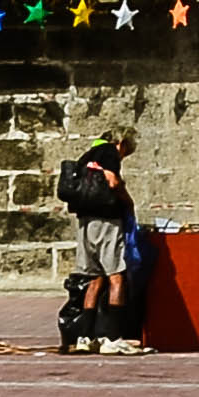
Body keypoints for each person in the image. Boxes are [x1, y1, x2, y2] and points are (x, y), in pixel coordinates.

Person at [57, 130, 142, 353]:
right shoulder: (109, 152)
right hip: (107, 221)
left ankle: (85, 337)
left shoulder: (88, 155)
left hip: (85, 221)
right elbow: (112, 182)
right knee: (116, 277)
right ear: (121, 142)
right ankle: (112, 339)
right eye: (126, 151)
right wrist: (128, 200)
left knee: (94, 279)